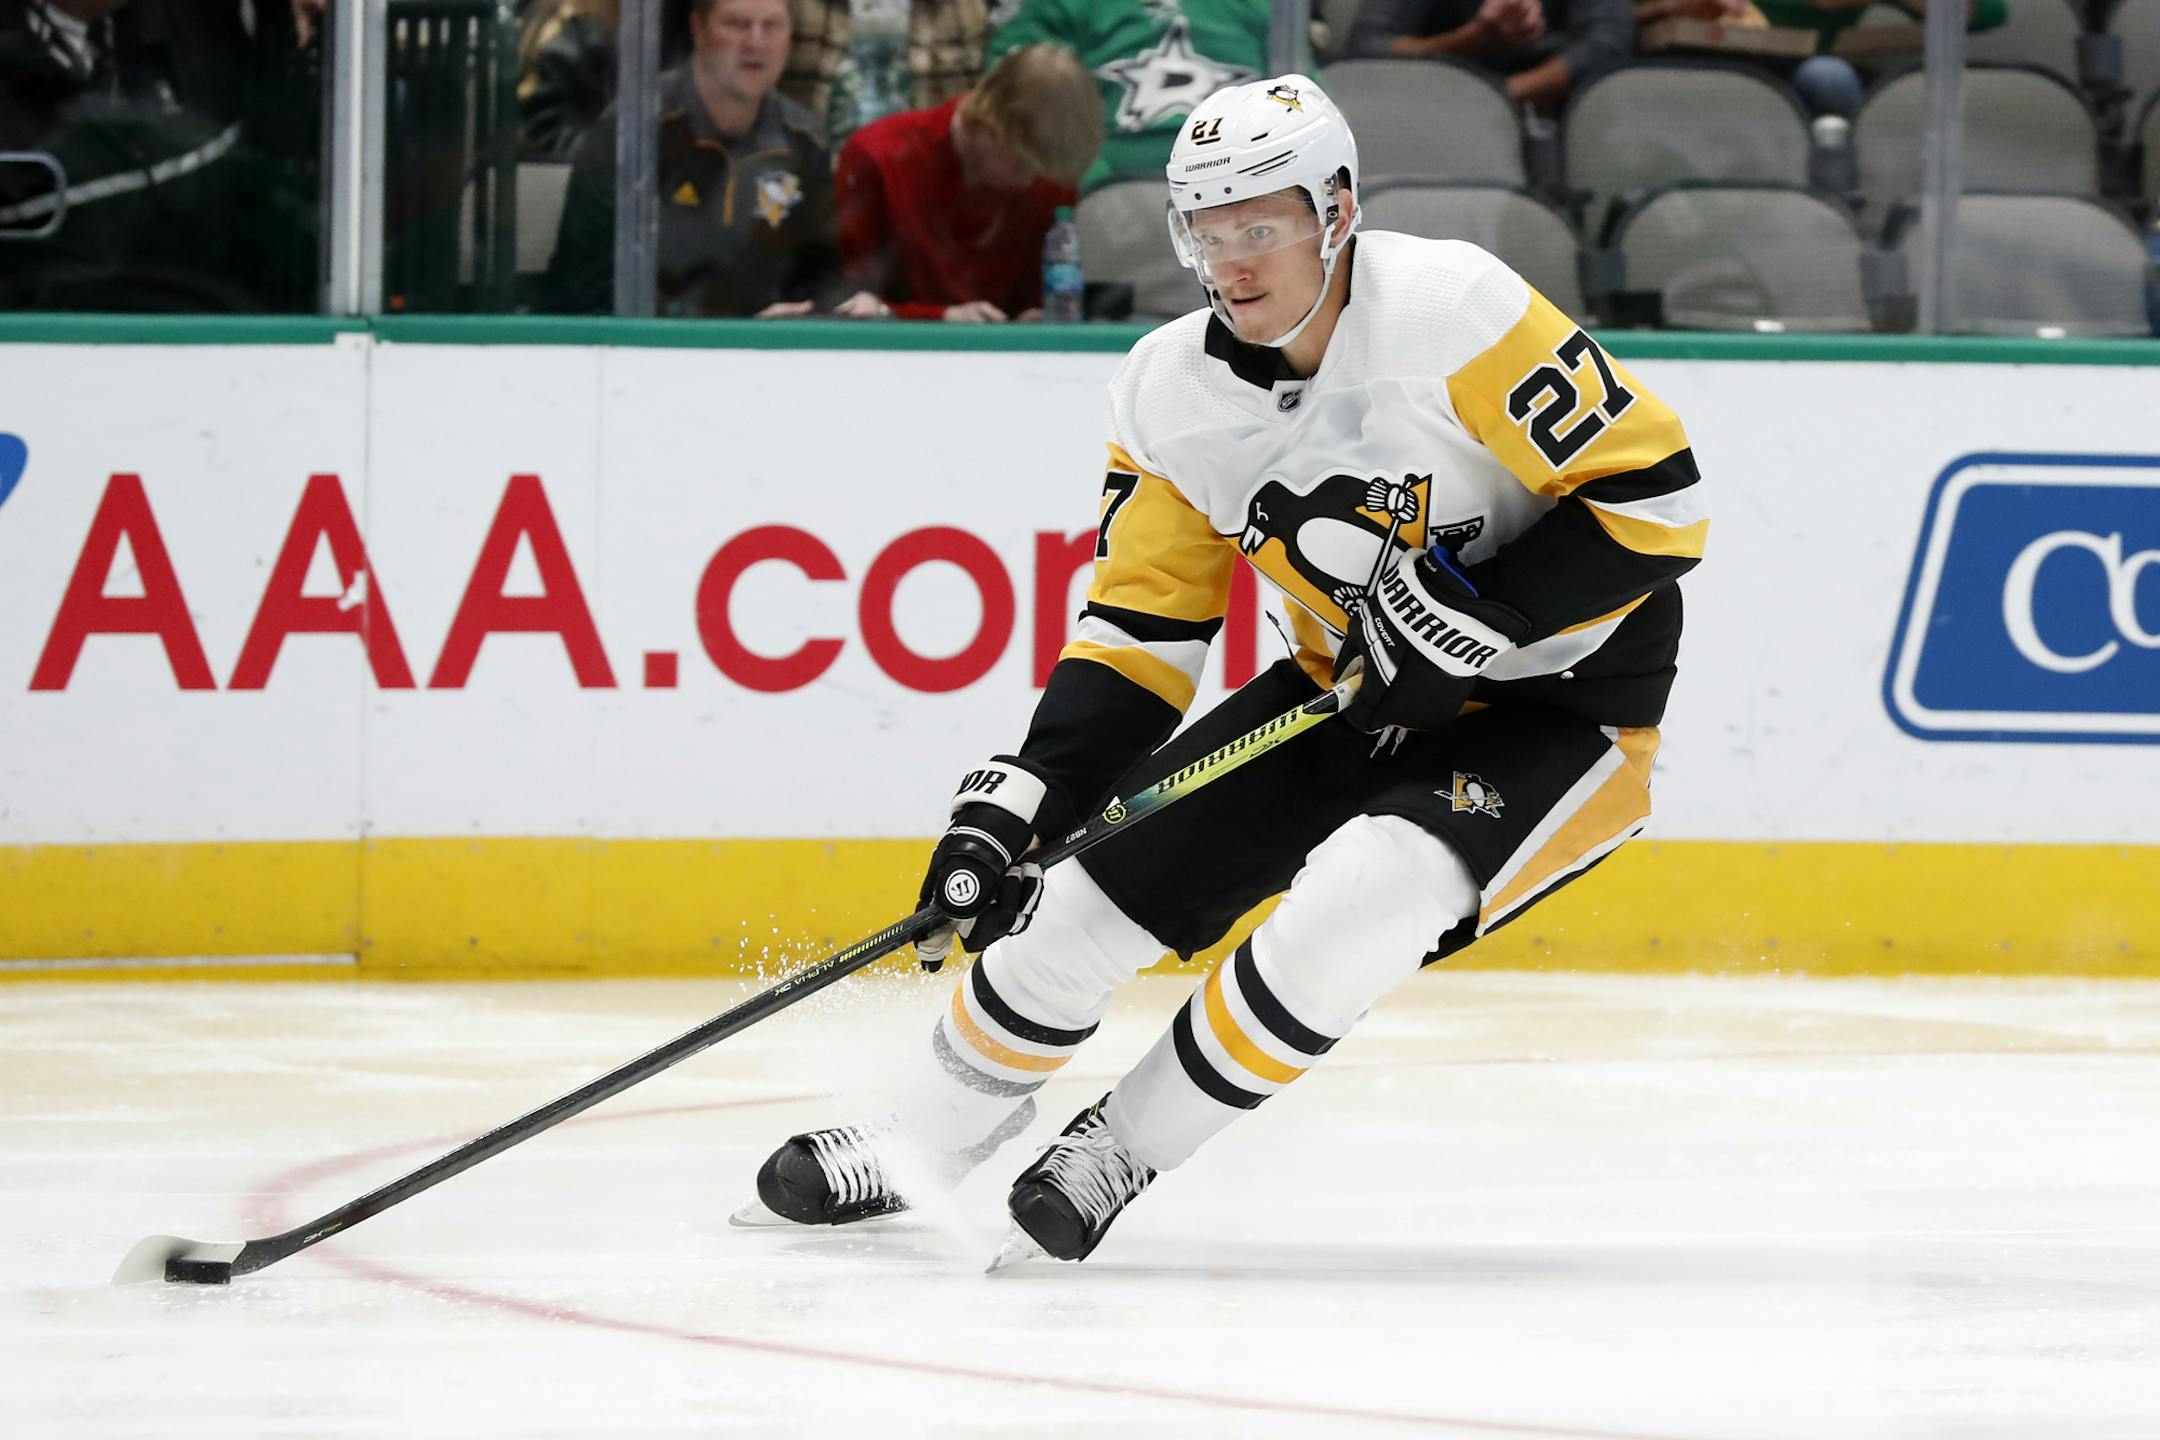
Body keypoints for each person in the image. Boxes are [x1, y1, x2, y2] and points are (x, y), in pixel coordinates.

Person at [743, 74, 1707, 1263]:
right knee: (1074, 902)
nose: (1234, 260)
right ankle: (917, 1144)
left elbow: (1660, 498)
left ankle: (1122, 1149)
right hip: (1349, 682)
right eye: (1208, 230)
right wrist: (1029, 797)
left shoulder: (1453, 311)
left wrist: (1481, 610)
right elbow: (1143, 625)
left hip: (1565, 705)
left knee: (1362, 899)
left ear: (1337, 210)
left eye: (1263, 225)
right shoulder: (1165, 394)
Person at [538, 0, 882, 317]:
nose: (755, 42)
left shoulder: (804, 141)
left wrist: (844, 303)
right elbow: (583, 291)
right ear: (698, 29)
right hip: (647, 356)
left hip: (764, 360)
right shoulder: (633, 132)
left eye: (771, 26)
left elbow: (823, 272)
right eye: (737, 24)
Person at [833, 42, 1099, 322]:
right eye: (1019, 161)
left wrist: (1036, 317)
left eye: (1039, 170)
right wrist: (939, 316)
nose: (1028, 180)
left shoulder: (1047, 176)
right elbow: (846, 302)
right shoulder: (877, 157)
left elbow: (1042, 297)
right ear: (985, 120)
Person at [981, 0, 1269, 191]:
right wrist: (1086, 177)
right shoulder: (1056, 6)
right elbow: (1016, 91)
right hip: (1109, 195)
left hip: (1245, 181)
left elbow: (1299, 97)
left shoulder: (1257, 6)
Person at [1347, 0, 1632, 112]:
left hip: (1551, 117)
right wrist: (1471, 40)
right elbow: (1368, 45)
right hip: (1429, 107)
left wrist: (1500, 96)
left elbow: (1608, 43)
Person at [782, 0, 988, 150]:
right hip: (811, 186)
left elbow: (977, 116)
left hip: (922, 190)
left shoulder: (958, 8)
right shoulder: (797, 6)